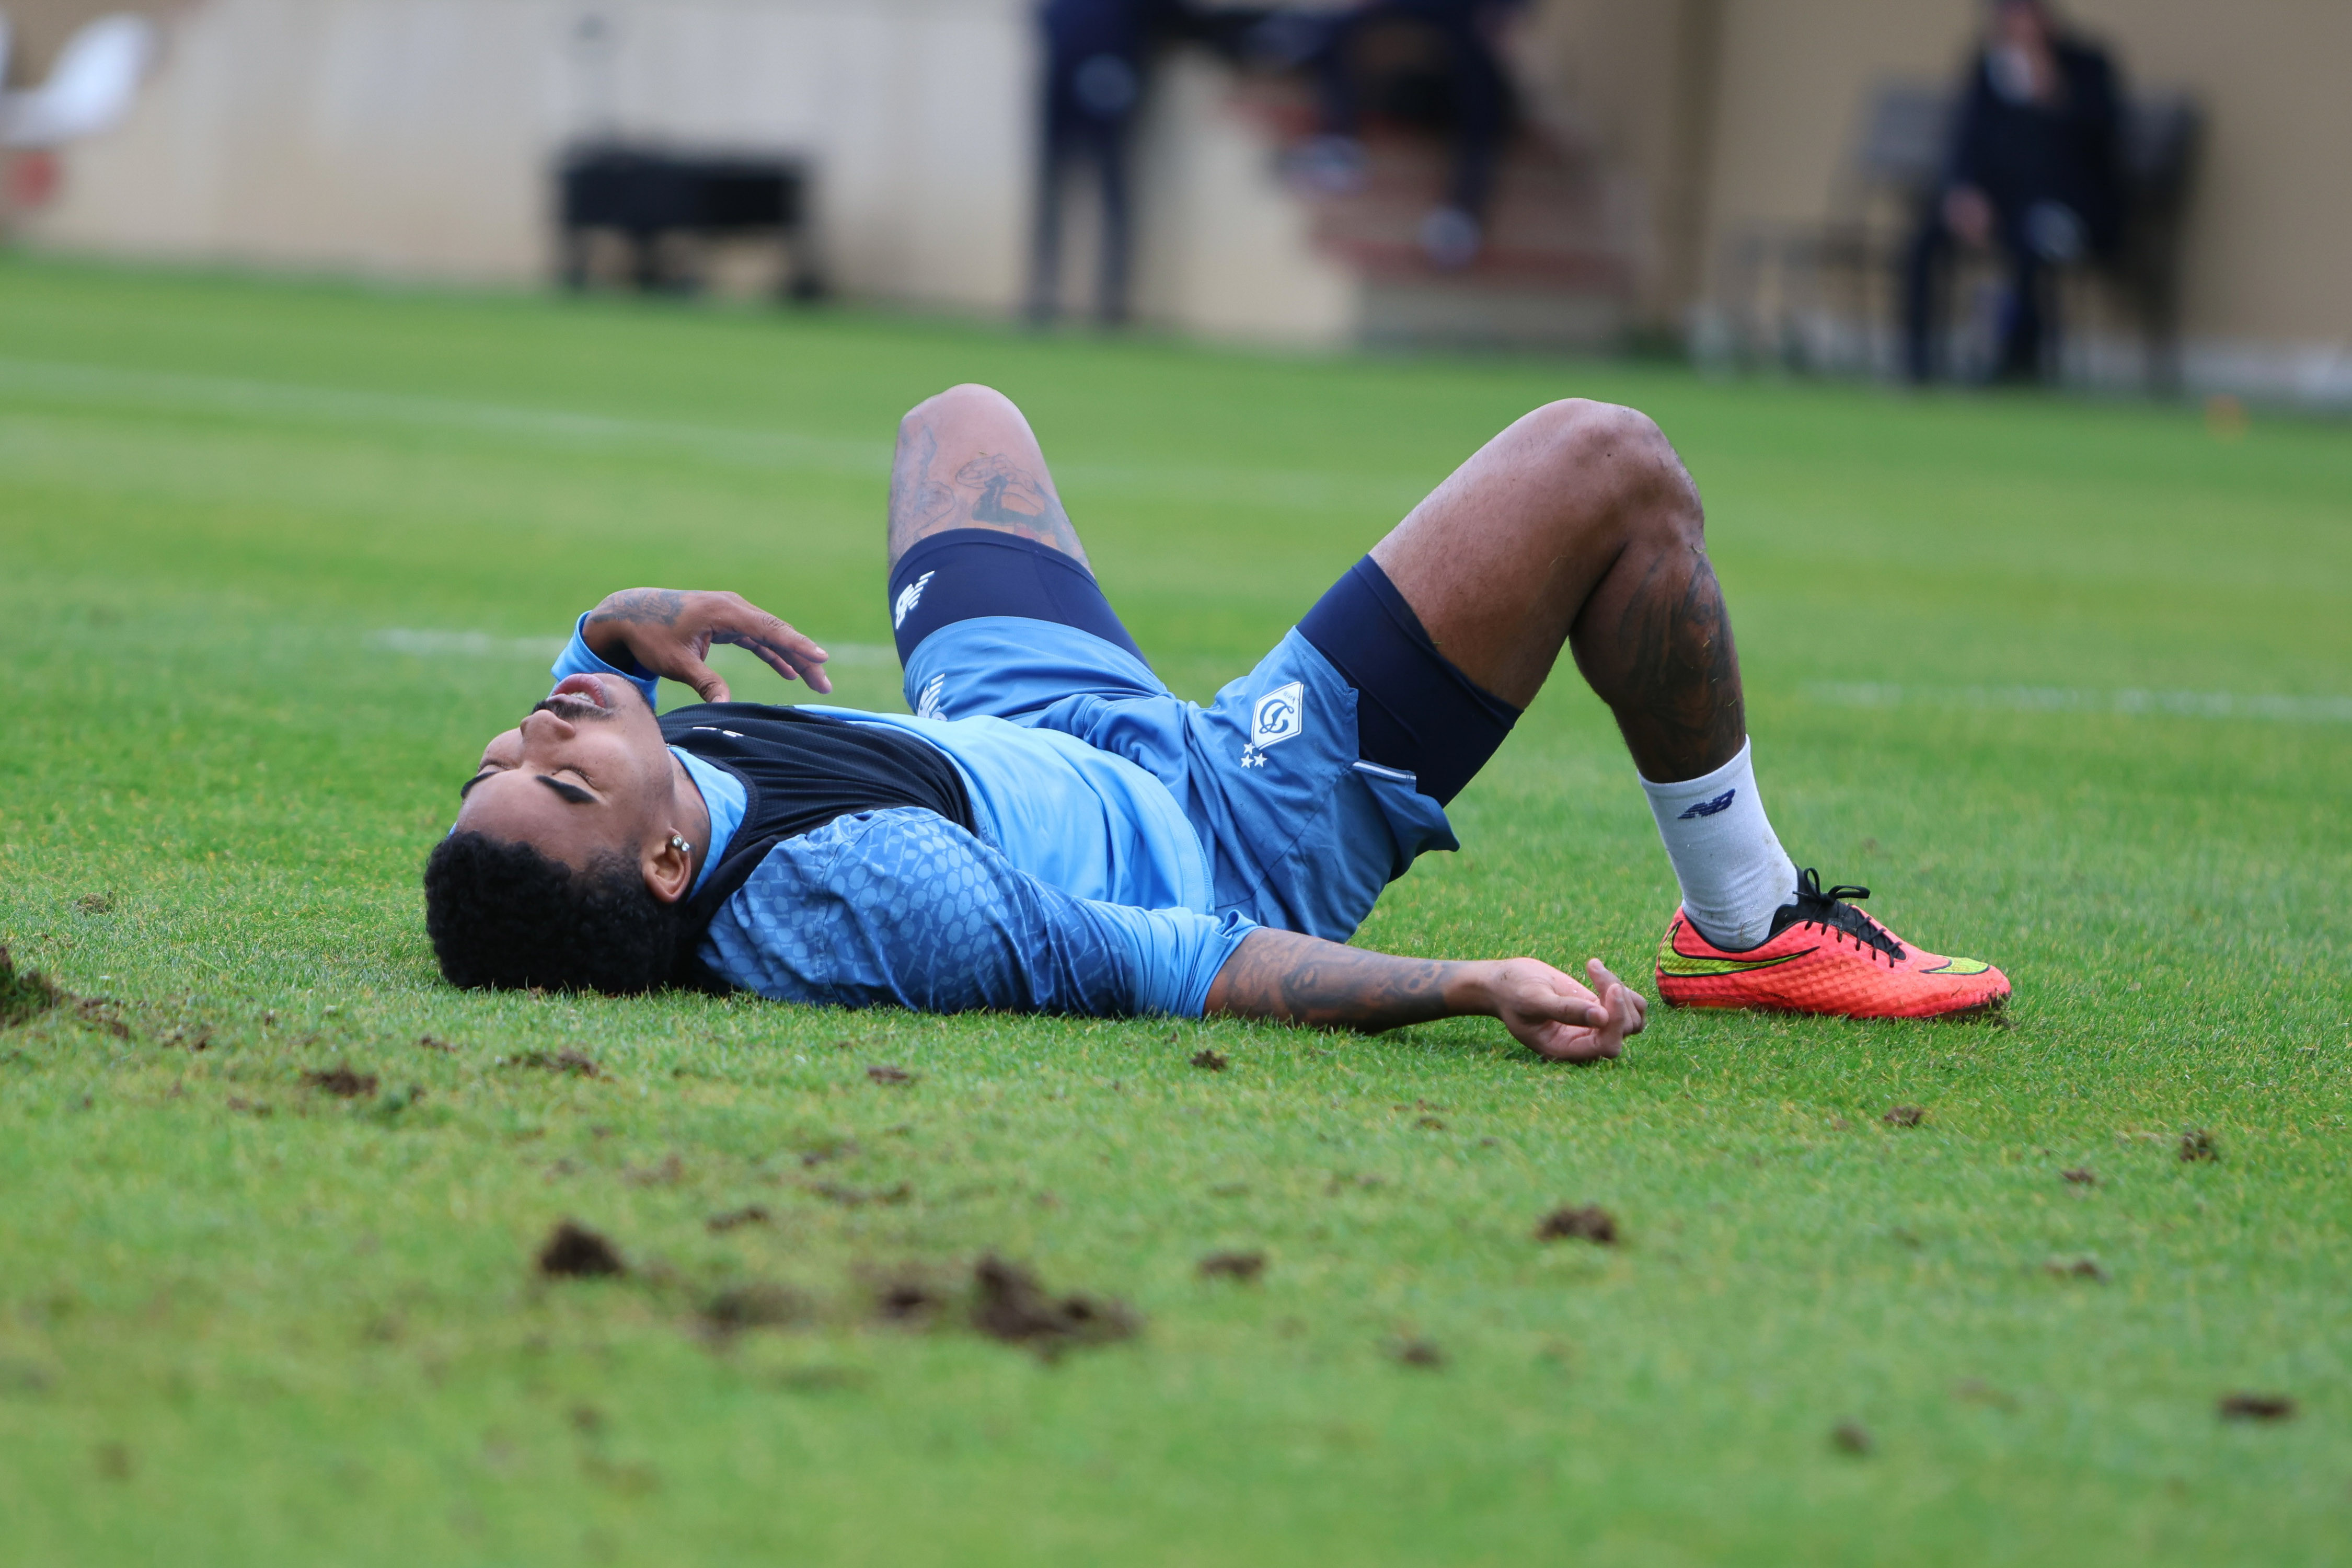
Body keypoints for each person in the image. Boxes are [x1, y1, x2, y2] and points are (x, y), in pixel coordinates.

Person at [423, 385, 2011, 1060]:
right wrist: (1460, 983)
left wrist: (605, 633)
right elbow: (1174, 959)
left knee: (953, 424)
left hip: (1013, 722)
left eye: (505, 754)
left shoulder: (621, 820)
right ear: (662, 869)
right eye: (561, 776)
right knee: (1609, 469)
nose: (539, 726)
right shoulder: (871, 899)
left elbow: (556, 768)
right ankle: (1747, 919)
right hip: (1216, 822)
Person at [1901, 0, 2126, 384]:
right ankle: (1918, 360)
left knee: (2029, 240)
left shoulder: (2085, 67)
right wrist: (1967, 193)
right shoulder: (1990, 70)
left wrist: (2054, 94)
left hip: (2070, 208)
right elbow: (1966, 143)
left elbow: (2102, 142)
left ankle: (2017, 362)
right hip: (1999, 206)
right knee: (1926, 238)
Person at [1288, 0, 1526, 271]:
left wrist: (1502, 15)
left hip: (1469, 23)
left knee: (1484, 88)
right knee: (1333, 32)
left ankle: (1462, 212)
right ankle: (1338, 146)